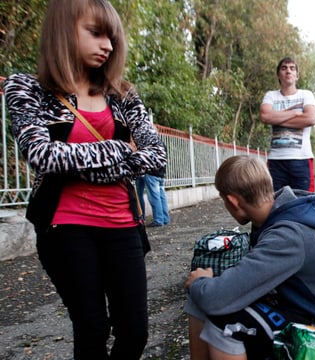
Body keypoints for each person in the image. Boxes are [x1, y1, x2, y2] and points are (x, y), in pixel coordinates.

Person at [1, 0, 167, 358]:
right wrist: (121, 150)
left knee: (135, 332)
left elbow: (157, 156)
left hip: (123, 224)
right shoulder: (26, 88)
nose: (107, 44)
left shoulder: (122, 94)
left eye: (112, 36)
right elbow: (42, 155)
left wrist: (89, 161)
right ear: (64, 29)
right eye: (96, 33)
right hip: (66, 227)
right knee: (91, 329)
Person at [184, 155, 315, 359]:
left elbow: (216, 299)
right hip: (296, 309)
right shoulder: (279, 214)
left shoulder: (287, 235)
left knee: (226, 324)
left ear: (233, 201)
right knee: (200, 298)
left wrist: (199, 282)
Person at [259, 57, 315, 193]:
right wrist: (296, 113)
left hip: (301, 159)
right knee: (276, 202)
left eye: (292, 68)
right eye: (284, 68)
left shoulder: (306, 95)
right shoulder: (271, 96)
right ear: (278, 75)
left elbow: (310, 118)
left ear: (297, 75)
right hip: (276, 160)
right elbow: (265, 116)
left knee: (304, 202)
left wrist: (277, 118)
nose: (288, 71)